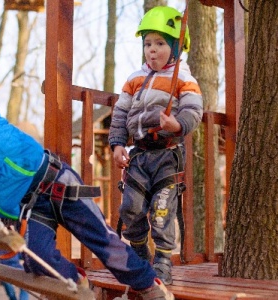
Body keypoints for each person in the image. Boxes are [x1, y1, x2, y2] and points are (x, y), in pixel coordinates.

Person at [0, 91, 174, 300]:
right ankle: (82, 288)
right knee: (37, 258)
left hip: (56, 181)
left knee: (102, 240)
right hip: (30, 206)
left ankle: (149, 284)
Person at [109, 6, 203, 286]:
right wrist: (116, 144)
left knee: (162, 210)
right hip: (139, 155)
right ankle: (139, 252)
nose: (152, 50)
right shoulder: (134, 79)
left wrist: (178, 124)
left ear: (176, 47)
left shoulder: (184, 78)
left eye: (161, 43)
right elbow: (121, 114)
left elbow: (194, 109)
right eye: (148, 43)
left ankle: (163, 260)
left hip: (167, 155)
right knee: (131, 208)